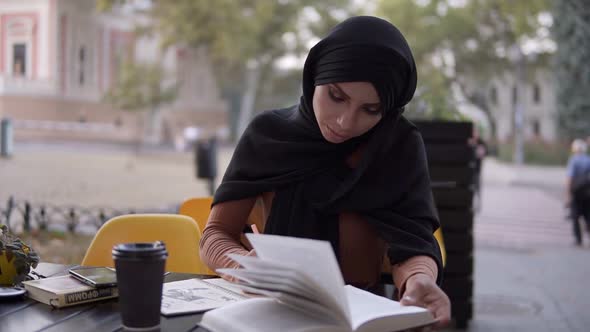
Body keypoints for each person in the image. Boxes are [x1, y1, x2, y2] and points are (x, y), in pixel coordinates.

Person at [200, 16, 451, 328]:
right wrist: (240, 266)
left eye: (370, 110)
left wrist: (418, 279)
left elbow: (412, 243)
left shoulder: (398, 148)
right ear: (315, 75)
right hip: (269, 313)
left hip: (363, 319)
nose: (346, 122)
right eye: (336, 96)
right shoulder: (268, 136)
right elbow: (215, 235)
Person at [566, 139, 590, 246]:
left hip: (576, 192)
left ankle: (578, 239)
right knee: (588, 215)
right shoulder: (588, 160)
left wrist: (568, 194)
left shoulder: (574, 160)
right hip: (588, 193)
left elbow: (569, 178)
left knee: (575, 216)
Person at [468, 127, 487, 213]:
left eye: (475, 132)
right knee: (470, 188)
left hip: (477, 170)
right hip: (468, 170)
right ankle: (470, 205)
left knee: (477, 188)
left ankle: (478, 205)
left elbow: (481, 154)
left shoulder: (481, 142)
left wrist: (474, 147)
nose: (474, 134)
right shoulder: (468, 140)